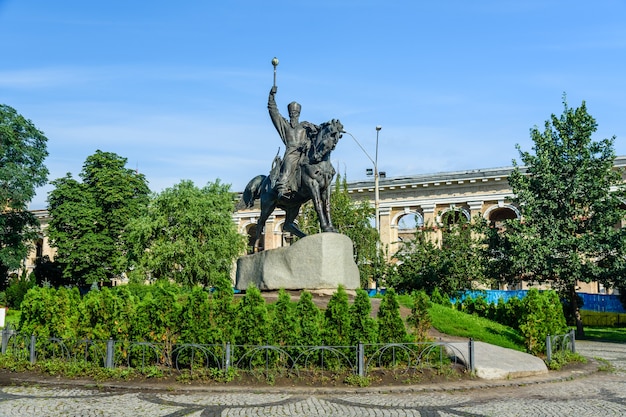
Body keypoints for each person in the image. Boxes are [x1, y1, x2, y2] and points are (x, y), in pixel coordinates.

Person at [268, 86, 317, 198]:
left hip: (304, 154)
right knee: (289, 163)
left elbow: (317, 136)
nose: (293, 115)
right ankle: (283, 186)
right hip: (291, 153)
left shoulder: (305, 125)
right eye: (291, 113)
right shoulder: (285, 126)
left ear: (298, 114)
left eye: (295, 113)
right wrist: (271, 96)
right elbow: (273, 112)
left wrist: (310, 137)